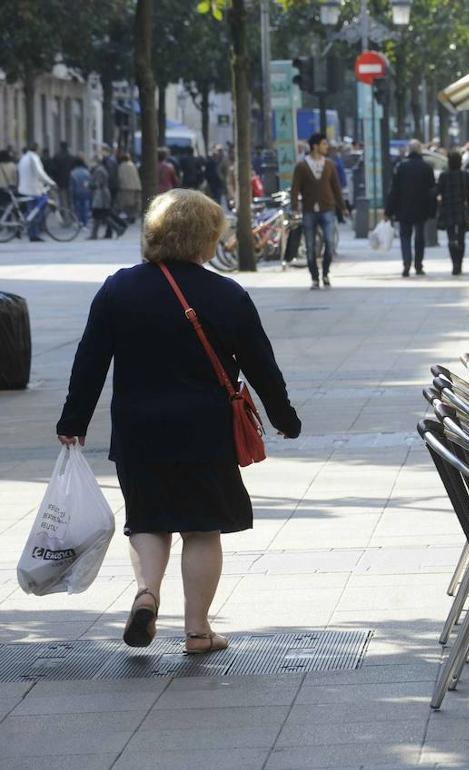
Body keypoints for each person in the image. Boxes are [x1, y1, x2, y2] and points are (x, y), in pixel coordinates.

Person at [56, 189, 301, 655]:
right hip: (204, 431)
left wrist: (74, 419)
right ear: (208, 237)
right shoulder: (227, 294)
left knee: (147, 520)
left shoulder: (118, 289)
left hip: (138, 429)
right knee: (201, 528)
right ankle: (197, 631)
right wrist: (283, 417)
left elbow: (90, 361)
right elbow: (261, 366)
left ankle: (147, 593)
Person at [290, 132, 346, 290]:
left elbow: (336, 187)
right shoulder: (302, 166)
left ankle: (325, 273)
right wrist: (295, 208)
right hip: (309, 210)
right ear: (315, 146)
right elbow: (295, 189)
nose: (327, 147)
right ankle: (314, 277)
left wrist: (342, 207)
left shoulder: (329, 165)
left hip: (327, 208)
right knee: (310, 246)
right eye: (324, 144)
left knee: (329, 242)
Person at [385, 139, 437, 278]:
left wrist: (389, 210)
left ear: (409, 150)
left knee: (405, 236)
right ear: (420, 150)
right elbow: (432, 190)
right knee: (420, 237)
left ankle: (406, 263)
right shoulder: (426, 167)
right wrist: (432, 210)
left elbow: (394, 190)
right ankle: (418, 265)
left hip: (404, 208)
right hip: (421, 207)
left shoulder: (401, 167)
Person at [435, 149, 469, 277]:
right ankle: (459, 263)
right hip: (462, 209)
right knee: (461, 238)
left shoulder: (444, 176)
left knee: (451, 237)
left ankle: (454, 263)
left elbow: (437, 191)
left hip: (448, 209)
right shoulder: (465, 176)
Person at [17, 143, 57, 241]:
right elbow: (40, 173)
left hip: (25, 188)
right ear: (37, 149)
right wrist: (51, 183)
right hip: (33, 189)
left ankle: (30, 231)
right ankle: (32, 233)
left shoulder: (24, 158)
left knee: (31, 211)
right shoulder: (34, 158)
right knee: (36, 211)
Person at [88, 156, 126, 240]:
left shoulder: (99, 170)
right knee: (99, 215)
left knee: (101, 214)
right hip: (102, 194)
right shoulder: (101, 169)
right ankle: (94, 234)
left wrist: (89, 185)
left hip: (100, 195)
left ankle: (118, 229)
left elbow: (98, 184)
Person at [116, 152, 142, 220]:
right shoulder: (132, 165)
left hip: (125, 187)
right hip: (136, 186)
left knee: (126, 204)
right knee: (134, 203)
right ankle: (133, 216)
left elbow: (120, 177)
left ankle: (128, 217)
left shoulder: (121, 166)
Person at [69, 157, 92, 229]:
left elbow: (71, 186)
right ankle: (85, 223)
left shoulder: (73, 173)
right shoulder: (87, 172)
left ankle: (79, 222)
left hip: (77, 193)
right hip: (86, 192)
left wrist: (71, 195)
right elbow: (89, 183)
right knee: (85, 208)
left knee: (77, 208)